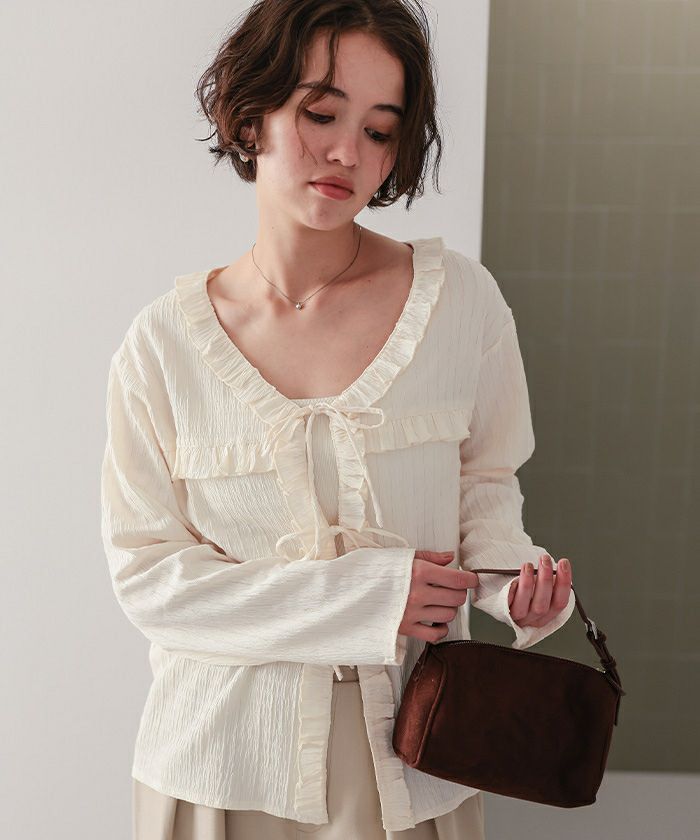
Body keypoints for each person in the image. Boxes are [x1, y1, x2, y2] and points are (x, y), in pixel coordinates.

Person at [100, 1, 576, 838]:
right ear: (250, 115)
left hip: (414, 764)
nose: (348, 153)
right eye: (321, 114)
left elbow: (485, 488)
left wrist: (515, 591)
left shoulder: (460, 304)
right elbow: (151, 582)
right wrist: (368, 596)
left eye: (379, 130)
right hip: (220, 767)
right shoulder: (162, 346)